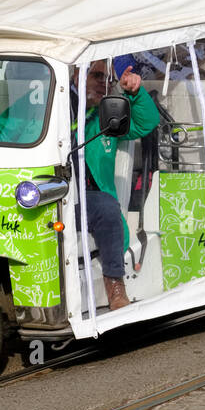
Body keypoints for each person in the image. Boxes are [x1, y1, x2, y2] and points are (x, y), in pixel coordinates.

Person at [70, 60, 159, 310]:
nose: (103, 83)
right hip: (48, 196)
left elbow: (146, 123)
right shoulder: (53, 108)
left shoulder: (108, 114)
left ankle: (115, 285)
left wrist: (134, 93)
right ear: (78, 75)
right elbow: (2, 129)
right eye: (97, 75)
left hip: (85, 204)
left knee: (106, 206)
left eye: (108, 78)